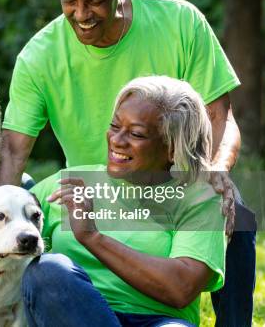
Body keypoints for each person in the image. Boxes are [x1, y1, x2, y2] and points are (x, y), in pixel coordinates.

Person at [0, 0, 255, 325]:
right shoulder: (40, 55)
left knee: (234, 209)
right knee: (49, 271)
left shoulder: (180, 22)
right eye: (69, 1)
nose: (81, 15)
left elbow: (220, 117)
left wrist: (212, 173)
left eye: (96, 1)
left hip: (169, 182)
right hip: (94, 193)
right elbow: (13, 152)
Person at [24, 76, 226, 327]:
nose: (117, 140)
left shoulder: (199, 199)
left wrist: (93, 237)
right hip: (75, 317)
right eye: (115, 126)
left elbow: (181, 287)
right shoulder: (72, 183)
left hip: (158, 321)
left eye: (136, 134)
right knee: (48, 271)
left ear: (173, 148)